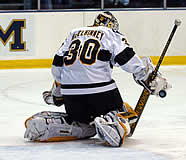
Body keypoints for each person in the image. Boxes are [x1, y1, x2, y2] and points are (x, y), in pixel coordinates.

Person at [24, 11, 171, 147]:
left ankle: (51, 124)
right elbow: (129, 61)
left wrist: (57, 95)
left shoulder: (73, 33)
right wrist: (149, 78)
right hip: (101, 96)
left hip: (72, 99)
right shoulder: (110, 33)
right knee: (126, 110)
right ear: (112, 25)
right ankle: (112, 122)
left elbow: (57, 68)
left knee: (83, 123)